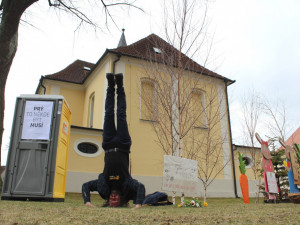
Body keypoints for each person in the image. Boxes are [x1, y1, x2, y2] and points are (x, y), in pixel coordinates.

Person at [82, 73, 145, 208]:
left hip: (109, 143)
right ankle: (120, 86)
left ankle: (110, 86)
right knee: (121, 114)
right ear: (122, 199)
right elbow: (140, 187)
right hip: (123, 144)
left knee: (108, 113)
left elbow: (85, 186)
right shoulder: (127, 186)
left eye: (111, 200)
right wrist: (138, 204)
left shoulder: (103, 187)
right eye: (116, 200)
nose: (113, 197)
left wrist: (87, 201)